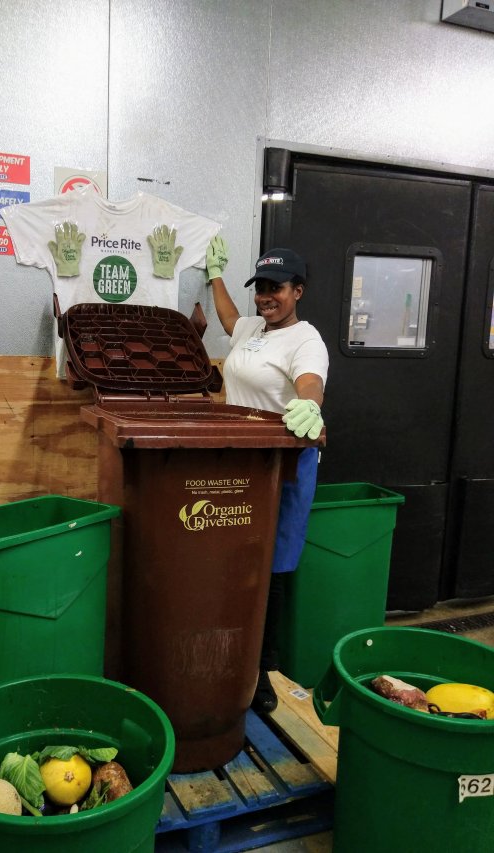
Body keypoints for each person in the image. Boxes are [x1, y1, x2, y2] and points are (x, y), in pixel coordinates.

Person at [205, 235, 329, 713]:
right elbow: (230, 319)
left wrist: (310, 408)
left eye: (275, 288)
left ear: (298, 290)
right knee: (233, 566)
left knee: (269, 571)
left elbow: (310, 381)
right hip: (240, 464)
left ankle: (260, 675)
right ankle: (227, 663)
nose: (265, 297)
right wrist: (214, 274)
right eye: (260, 287)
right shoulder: (253, 328)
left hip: (285, 468)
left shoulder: (306, 339)